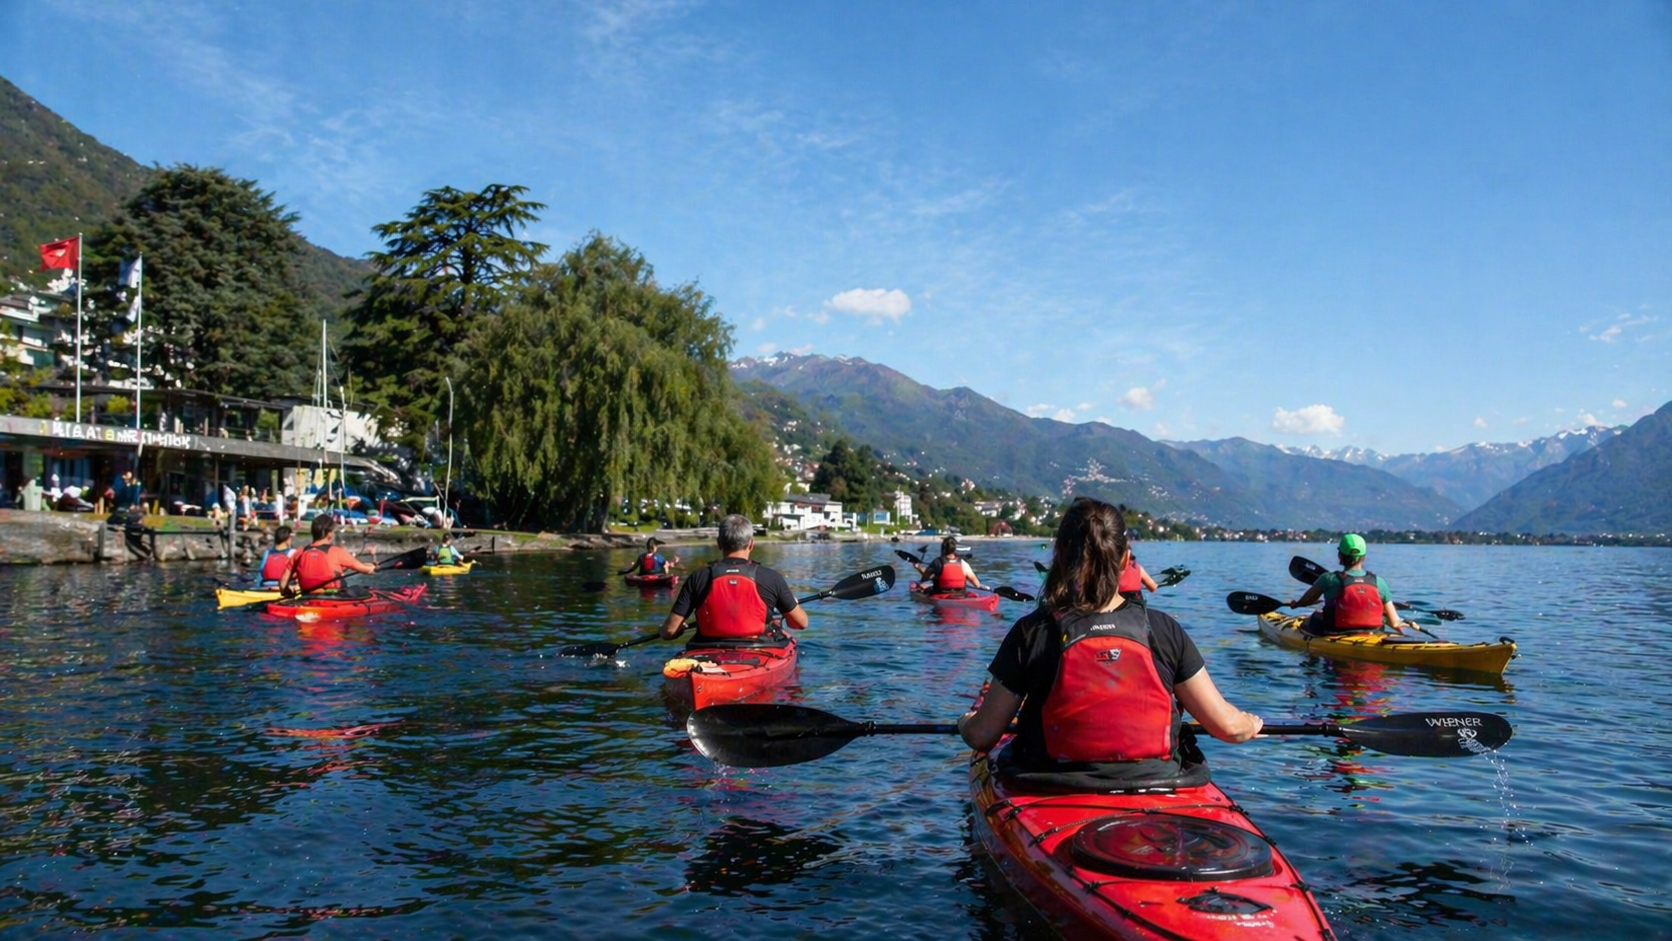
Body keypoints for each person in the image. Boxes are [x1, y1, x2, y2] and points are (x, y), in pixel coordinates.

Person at [958, 497, 1263, 791]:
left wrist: (965, 722)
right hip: (1157, 783)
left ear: (1060, 555)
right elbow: (1229, 728)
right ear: (1125, 559)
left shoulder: (1031, 631)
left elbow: (983, 735)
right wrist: (1250, 723)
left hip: (1051, 785)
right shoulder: (1164, 630)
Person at [659, 514, 807, 644]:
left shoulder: (698, 577)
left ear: (719, 543)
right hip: (758, 651)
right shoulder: (771, 578)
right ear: (751, 544)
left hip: (707, 653)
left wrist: (678, 629)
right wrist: (792, 604)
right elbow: (800, 623)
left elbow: (668, 632)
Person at [1285, 533, 1409, 637]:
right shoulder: (1379, 582)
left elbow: (1307, 600)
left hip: (1336, 631)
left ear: (1340, 556)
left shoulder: (1328, 579)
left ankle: (1311, 656)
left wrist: (1296, 604)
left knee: (1313, 618)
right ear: (1364, 557)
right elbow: (1395, 622)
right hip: (1374, 632)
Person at [280, 513, 376, 595]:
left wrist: (286, 591)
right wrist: (372, 567)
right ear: (329, 534)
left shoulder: (300, 552)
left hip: (307, 596)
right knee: (361, 589)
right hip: (335, 597)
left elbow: (284, 580)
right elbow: (366, 570)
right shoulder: (337, 551)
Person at [914, 535, 983, 594]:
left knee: (921, 588)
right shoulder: (963, 563)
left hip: (940, 594)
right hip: (960, 595)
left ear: (943, 548)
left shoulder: (937, 562)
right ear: (954, 548)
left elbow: (925, 579)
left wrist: (918, 567)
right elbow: (977, 585)